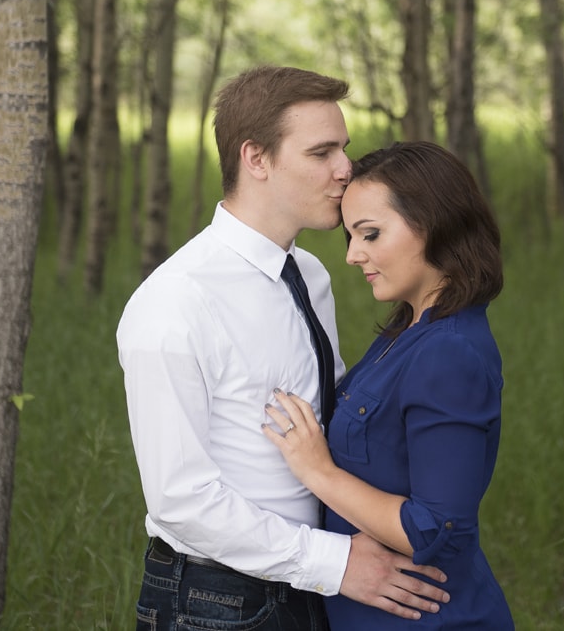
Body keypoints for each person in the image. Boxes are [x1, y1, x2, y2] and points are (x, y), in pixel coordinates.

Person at [117, 67, 451, 630]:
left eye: (344, 149)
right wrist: (336, 562)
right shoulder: (175, 303)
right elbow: (182, 501)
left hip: (314, 583)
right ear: (257, 159)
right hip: (218, 603)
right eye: (322, 152)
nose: (346, 169)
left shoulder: (311, 276)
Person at [264, 141, 513, 629]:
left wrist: (318, 473)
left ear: (435, 224)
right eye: (352, 237)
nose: (355, 255)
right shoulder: (409, 331)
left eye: (371, 234)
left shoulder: (448, 352)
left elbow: (438, 530)